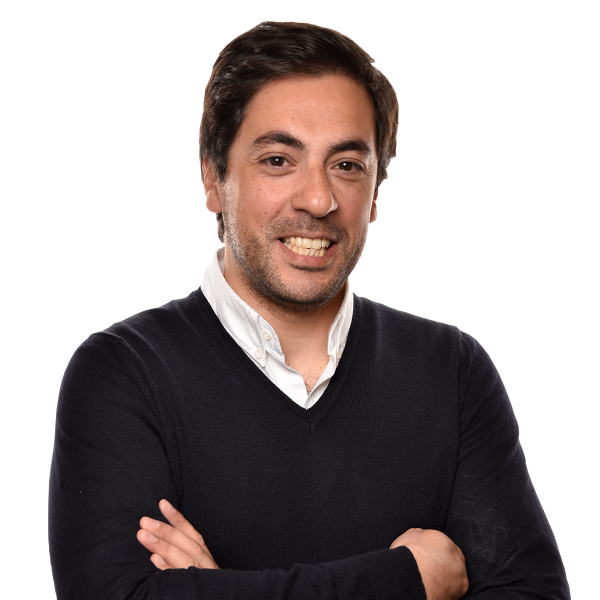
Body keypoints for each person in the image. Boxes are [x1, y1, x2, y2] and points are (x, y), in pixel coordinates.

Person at [48, 21, 569, 599]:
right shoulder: (123, 374)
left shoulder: (452, 371)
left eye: (347, 165)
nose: (319, 200)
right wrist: (405, 580)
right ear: (214, 180)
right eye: (278, 160)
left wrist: (220, 591)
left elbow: (533, 593)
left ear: (376, 194)